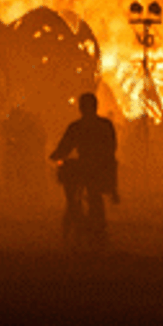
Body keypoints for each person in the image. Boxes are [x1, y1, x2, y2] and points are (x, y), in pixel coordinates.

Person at [50, 92, 119, 249]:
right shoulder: (105, 125)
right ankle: (99, 224)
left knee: (73, 195)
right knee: (95, 195)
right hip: (102, 166)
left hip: (88, 166)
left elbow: (64, 147)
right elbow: (112, 147)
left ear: (81, 108)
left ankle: (76, 218)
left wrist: (55, 156)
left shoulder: (76, 127)